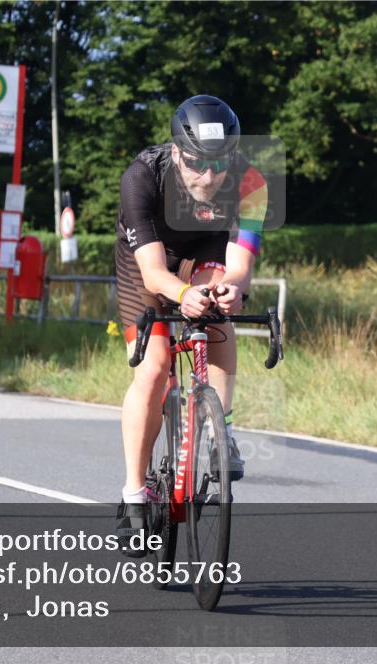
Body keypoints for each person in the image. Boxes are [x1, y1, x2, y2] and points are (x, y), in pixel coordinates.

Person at [113, 95, 268, 556]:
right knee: (155, 367)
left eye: (219, 164)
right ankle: (134, 495)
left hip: (207, 253)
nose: (208, 176)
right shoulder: (143, 177)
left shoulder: (251, 183)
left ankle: (223, 430)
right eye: (197, 164)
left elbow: (240, 265)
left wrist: (232, 288)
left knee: (219, 305)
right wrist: (182, 296)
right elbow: (153, 274)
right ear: (177, 152)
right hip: (148, 261)